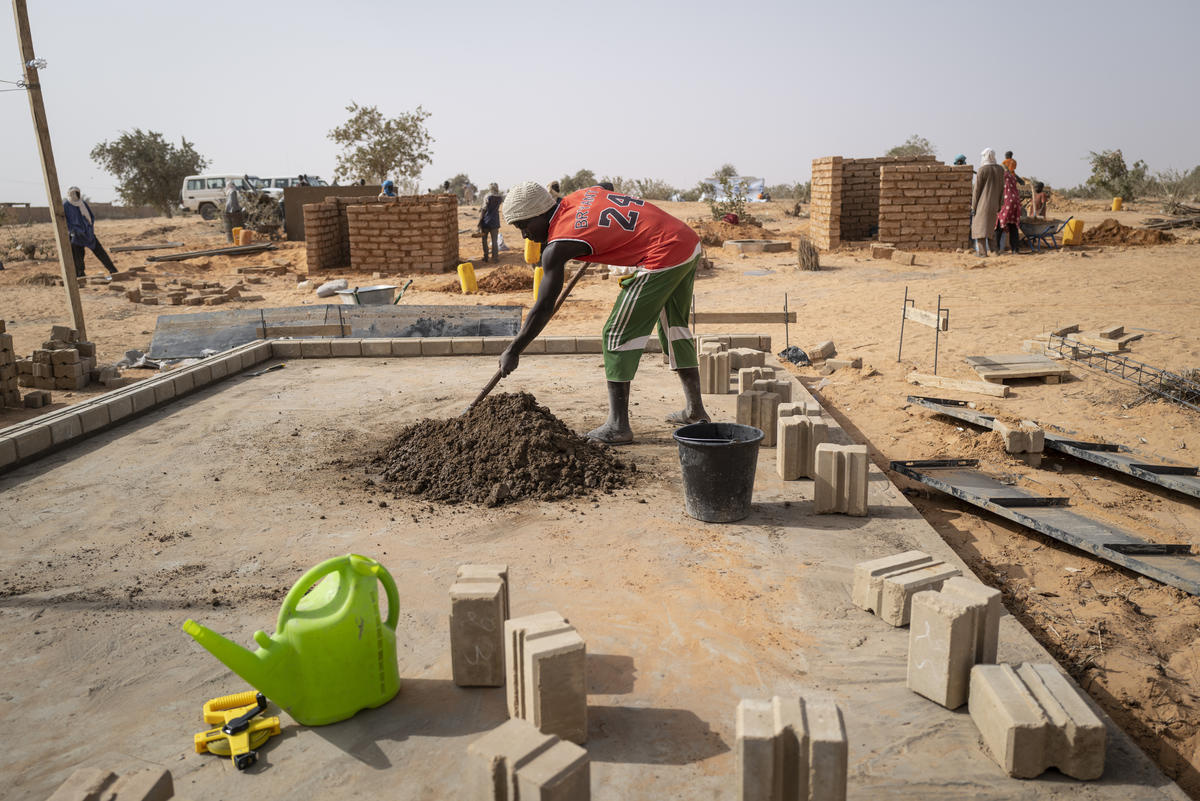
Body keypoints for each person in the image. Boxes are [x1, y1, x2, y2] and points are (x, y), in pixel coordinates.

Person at [498, 181, 709, 444]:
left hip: (662, 254)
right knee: (674, 328)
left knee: (616, 334)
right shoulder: (581, 195)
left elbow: (543, 308)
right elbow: (605, 186)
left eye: (523, 225)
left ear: (540, 214)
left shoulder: (557, 246)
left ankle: (618, 427)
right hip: (686, 241)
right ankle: (695, 412)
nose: (524, 236)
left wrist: (514, 349)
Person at [62, 187, 118, 278]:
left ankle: (113, 271)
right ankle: (80, 275)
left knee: (100, 252)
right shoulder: (66, 205)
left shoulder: (83, 203)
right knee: (78, 256)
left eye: (76, 193)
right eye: (73, 193)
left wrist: (89, 228)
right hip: (76, 236)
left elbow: (91, 217)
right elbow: (65, 221)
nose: (75, 195)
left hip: (88, 234)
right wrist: (74, 231)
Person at [971, 149, 1004, 256]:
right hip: (994, 204)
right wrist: (1000, 204)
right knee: (990, 228)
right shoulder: (1000, 170)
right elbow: (1001, 188)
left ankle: (982, 252)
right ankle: (995, 251)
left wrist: (973, 206)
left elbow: (977, 190)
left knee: (979, 228)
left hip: (982, 204)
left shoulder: (983, 170)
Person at [995, 167, 1023, 253]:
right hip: (1015, 201)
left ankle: (996, 249)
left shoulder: (1002, 176)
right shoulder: (1012, 177)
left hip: (1006, 201)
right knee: (1013, 225)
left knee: (999, 225)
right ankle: (1015, 249)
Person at [479, 183, 503, 263]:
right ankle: (495, 258)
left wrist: (480, 221)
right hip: (495, 222)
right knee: (494, 241)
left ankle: (486, 257)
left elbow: (483, 209)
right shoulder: (500, 198)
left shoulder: (487, 196)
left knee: (484, 240)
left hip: (486, 221)